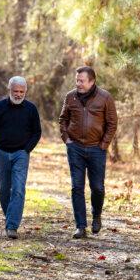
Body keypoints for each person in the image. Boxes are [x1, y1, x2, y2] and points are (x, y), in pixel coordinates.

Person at [58, 66, 118, 239]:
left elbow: (112, 123)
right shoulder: (70, 97)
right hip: (75, 147)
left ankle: (97, 215)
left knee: (97, 187)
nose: (78, 84)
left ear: (92, 81)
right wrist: (67, 139)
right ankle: (80, 226)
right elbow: (63, 119)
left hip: (96, 149)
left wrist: (104, 144)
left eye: (82, 81)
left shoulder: (105, 97)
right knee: (77, 187)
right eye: (77, 80)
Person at [0, 76, 42, 239]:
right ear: (9, 90)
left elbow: (37, 132)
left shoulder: (31, 109)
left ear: (25, 92)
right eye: (15, 91)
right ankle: (11, 217)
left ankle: (12, 226)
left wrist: (26, 150)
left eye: (22, 92)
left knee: (18, 188)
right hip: (1, 152)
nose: (18, 94)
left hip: (21, 154)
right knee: (3, 190)